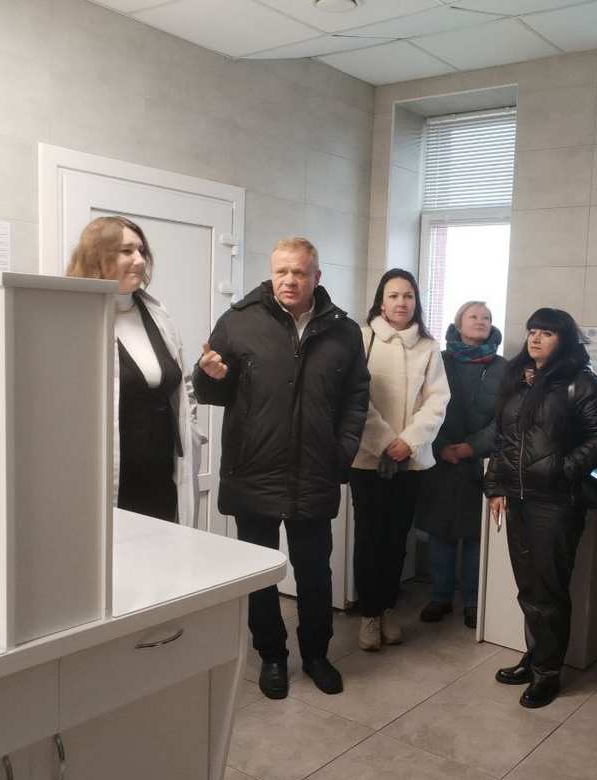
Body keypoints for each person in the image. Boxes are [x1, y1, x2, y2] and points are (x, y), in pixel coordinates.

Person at [193, 237, 369, 700]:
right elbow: (214, 391)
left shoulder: (344, 332)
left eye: (299, 273)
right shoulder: (238, 322)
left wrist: (342, 453)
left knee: (315, 574)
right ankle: (271, 655)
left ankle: (316, 655)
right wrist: (206, 375)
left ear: (317, 277)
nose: (289, 280)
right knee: (259, 574)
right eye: (281, 272)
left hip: (315, 472)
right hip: (255, 470)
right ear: (272, 273)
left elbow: (357, 398)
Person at [485, 308, 597, 709]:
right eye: (532, 331)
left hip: (556, 503)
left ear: (564, 339)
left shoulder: (582, 383)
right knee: (529, 586)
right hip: (518, 498)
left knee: (549, 589)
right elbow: (501, 438)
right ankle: (535, 657)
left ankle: (547, 673)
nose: (536, 338)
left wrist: (563, 469)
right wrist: (495, 485)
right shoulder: (517, 379)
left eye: (546, 332)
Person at [65, 215, 204, 526]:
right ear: (97, 256)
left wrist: (191, 427)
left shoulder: (156, 313)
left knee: (166, 551)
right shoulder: (74, 316)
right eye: (126, 251)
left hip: (162, 476)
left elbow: (182, 386)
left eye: (141, 251)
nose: (139, 260)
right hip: (109, 477)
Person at [350, 269, 449, 651]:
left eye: (408, 296)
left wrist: (408, 442)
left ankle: (388, 608)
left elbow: (437, 400)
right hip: (367, 459)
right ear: (381, 301)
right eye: (393, 296)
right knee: (369, 538)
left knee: (396, 540)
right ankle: (369, 615)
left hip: (411, 461)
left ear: (416, 301)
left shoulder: (428, 346)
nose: (401, 302)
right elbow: (354, 398)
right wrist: (385, 441)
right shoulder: (362, 339)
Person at [415, 301, 507, 629]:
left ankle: (472, 601)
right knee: (440, 534)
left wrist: (472, 447)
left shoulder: (503, 368)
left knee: (474, 537)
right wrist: (441, 446)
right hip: (439, 459)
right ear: (458, 323)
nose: (481, 321)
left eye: (487, 317)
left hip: (480, 463)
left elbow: (506, 418)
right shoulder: (438, 360)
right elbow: (421, 406)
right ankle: (440, 596)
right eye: (474, 316)